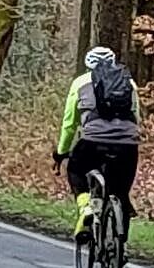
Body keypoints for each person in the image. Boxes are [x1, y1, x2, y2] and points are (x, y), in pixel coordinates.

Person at [53, 46, 141, 244]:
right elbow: (136, 117)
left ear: (87, 64)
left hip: (92, 142)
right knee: (121, 192)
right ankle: (120, 247)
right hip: (127, 144)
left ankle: (86, 206)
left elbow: (69, 123)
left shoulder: (80, 83)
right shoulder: (129, 83)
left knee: (76, 170)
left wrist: (62, 152)